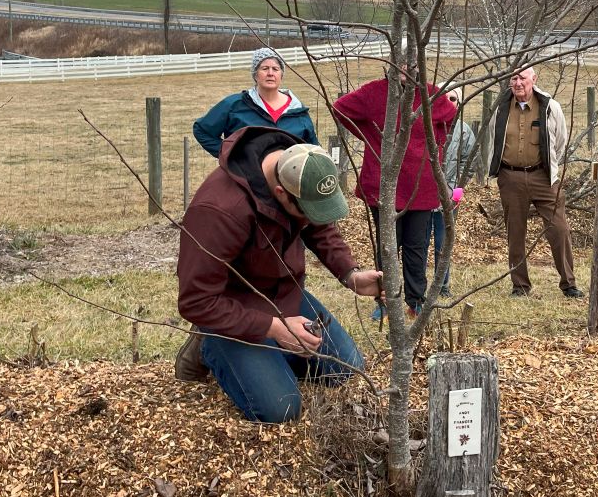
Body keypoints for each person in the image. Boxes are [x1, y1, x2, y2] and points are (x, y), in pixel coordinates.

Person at [174, 129, 382, 422]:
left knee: (346, 370)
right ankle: (208, 343)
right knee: (280, 409)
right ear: (281, 193)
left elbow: (318, 225)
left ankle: (267, 356)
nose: (310, 218)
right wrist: (273, 328)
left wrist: (352, 275)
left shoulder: (299, 168)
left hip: (284, 294)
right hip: (233, 304)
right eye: (306, 212)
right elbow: (195, 301)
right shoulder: (219, 210)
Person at [333, 68, 456, 314]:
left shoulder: (430, 94)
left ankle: (416, 301)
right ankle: (386, 301)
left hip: (420, 185)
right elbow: (340, 107)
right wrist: (369, 134)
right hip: (384, 183)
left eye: (411, 64)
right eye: (400, 63)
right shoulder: (375, 92)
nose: (406, 69)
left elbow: (450, 115)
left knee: (416, 246)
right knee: (388, 246)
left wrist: (429, 144)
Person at [489, 65, 582, 299]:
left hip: (544, 178)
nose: (518, 82)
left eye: (522, 77)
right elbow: (493, 139)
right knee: (515, 232)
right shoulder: (501, 108)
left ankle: (568, 284)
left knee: (559, 230)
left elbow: (560, 143)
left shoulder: (550, 107)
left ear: (533, 79)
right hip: (510, 178)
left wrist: (548, 168)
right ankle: (520, 286)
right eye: (513, 78)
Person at [192, 47, 316, 156]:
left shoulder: (298, 111)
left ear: (281, 75)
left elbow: (313, 150)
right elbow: (202, 130)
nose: (270, 73)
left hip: (286, 180)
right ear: (255, 74)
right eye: (265, 68)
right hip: (244, 180)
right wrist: (228, 155)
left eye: (276, 69)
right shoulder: (235, 105)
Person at [428, 89, 480, 295]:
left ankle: (442, 285)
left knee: (443, 242)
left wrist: (455, 188)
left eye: (453, 99)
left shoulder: (464, 130)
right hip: (422, 195)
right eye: (444, 98)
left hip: (448, 197)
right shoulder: (425, 125)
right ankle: (418, 286)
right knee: (420, 243)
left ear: (458, 103)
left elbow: (470, 160)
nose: (448, 103)